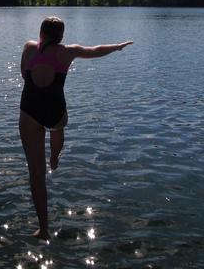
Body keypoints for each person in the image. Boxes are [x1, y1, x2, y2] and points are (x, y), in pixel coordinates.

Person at [19, 16, 132, 240]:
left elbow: (24, 74)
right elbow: (95, 50)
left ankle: (43, 229)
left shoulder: (29, 48)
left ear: (41, 33)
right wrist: (117, 47)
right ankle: (54, 158)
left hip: (29, 111)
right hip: (55, 110)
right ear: (61, 36)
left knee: (36, 175)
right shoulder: (67, 52)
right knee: (58, 127)